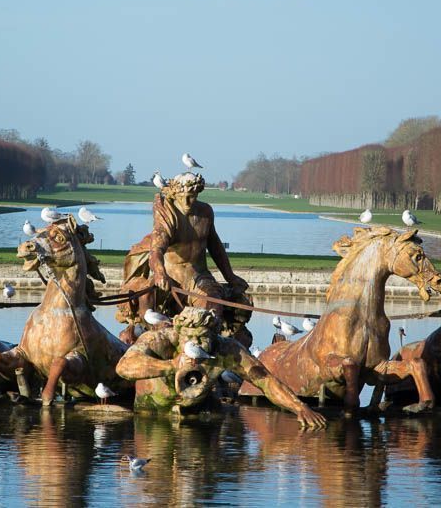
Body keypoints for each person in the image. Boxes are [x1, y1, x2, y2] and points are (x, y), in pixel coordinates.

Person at [116, 307, 326, 430]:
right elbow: (124, 367)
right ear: (178, 332)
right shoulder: (159, 340)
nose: (196, 343)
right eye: (191, 338)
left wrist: (299, 407)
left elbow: (265, 380)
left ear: (214, 334)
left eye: (203, 338)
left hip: (199, 418)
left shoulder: (226, 349)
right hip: (153, 415)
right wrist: (171, 365)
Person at [150, 172, 247, 319]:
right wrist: (159, 273)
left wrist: (230, 277)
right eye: (183, 198)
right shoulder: (169, 215)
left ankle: (211, 336)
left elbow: (215, 246)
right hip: (170, 278)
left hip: (200, 277)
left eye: (192, 197)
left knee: (213, 304)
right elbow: (157, 249)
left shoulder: (205, 212)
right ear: (175, 194)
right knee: (147, 301)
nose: (188, 202)